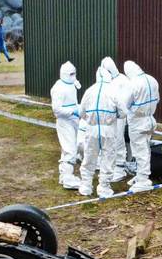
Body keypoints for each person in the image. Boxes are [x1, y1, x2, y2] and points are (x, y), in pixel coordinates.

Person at [78, 68, 126, 198]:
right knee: (108, 158)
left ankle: (86, 186)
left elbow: (81, 112)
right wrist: (112, 116)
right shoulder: (114, 91)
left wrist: (91, 118)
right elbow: (123, 112)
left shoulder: (89, 91)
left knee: (89, 156)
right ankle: (104, 187)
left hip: (92, 129)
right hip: (109, 130)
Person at [123, 60, 160, 192]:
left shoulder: (133, 84)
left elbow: (124, 105)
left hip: (138, 121)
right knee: (145, 148)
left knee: (140, 151)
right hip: (150, 119)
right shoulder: (152, 79)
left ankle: (143, 179)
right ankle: (141, 175)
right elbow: (157, 99)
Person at [51, 61, 82, 189]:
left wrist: (78, 109)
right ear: (64, 74)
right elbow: (56, 108)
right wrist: (72, 111)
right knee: (70, 149)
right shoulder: (58, 88)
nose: (73, 76)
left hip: (73, 120)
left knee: (68, 147)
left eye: (74, 73)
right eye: (71, 74)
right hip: (65, 121)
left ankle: (64, 176)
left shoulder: (71, 84)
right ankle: (68, 179)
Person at [100, 56, 131, 181]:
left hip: (119, 116)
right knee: (106, 139)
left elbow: (127, 100)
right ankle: (108, 163)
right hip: (106, 116)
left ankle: (120, 166)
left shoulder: (123, 80)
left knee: (118, 139)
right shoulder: (107, 80)